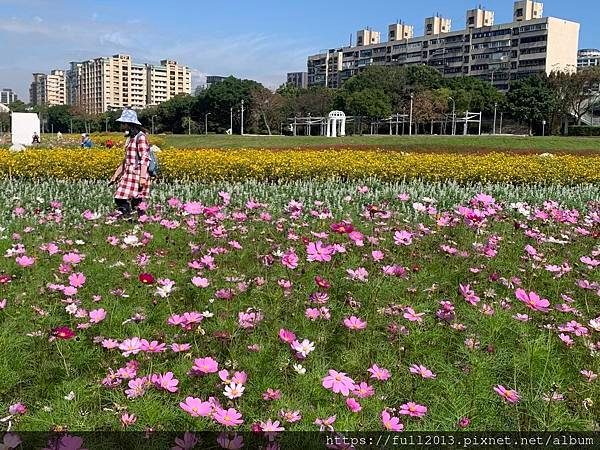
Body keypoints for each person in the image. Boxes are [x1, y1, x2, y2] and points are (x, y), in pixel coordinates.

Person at [108, 109, 151, 219]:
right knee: (127, 200)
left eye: (123, 123)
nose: (121, 125)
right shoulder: (131, 138)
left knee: (129, 200)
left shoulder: (140, 137)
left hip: (137, 174)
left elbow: (145, 158)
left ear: (128, 124)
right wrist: (115, 175)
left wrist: (142, 177)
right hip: (129, 174)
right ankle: (133, 220)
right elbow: (126, 160)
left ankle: (132, 219)